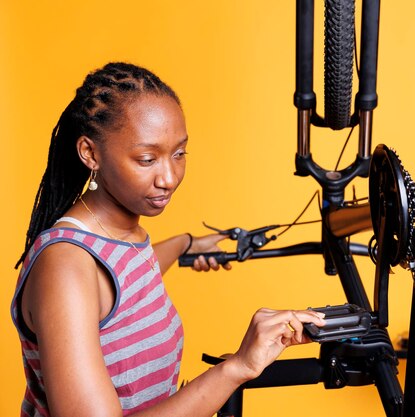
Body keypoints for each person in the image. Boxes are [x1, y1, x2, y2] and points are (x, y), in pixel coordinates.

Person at [11, 62, 325, 417]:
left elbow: (125, 286)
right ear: (90, 153)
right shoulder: (65, 266)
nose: (169, 178)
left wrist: (187, 243)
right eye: (147, 159)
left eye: (179, 154)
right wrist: (237, 368)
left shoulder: (119, 236)